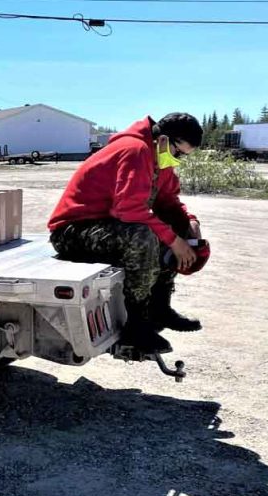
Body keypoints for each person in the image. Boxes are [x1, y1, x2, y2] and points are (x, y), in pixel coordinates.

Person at [48, 112, 204, 355]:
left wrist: (189, 224)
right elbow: (128, 210)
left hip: (107, 225)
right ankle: (137, 325)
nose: (178, 159)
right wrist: (174, 242)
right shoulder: (135, 150)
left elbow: (168, 202)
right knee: (143, 235)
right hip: (72, 232)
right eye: (179, 153)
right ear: (163, 140)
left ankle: (160, 309)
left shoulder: (159, 159)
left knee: (171, 227)